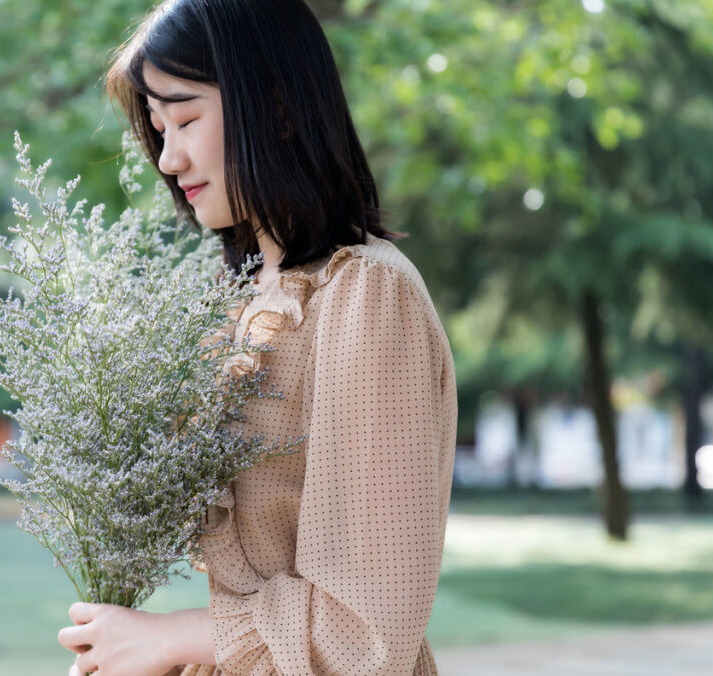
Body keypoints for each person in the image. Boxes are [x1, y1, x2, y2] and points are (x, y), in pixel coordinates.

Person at [57, 1, 458, 674]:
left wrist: (172, 636)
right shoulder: (231, 304)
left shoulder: (366, 295)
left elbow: (371, 628)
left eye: (185, 118)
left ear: (275, 106)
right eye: (157, 129)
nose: (169, 156)